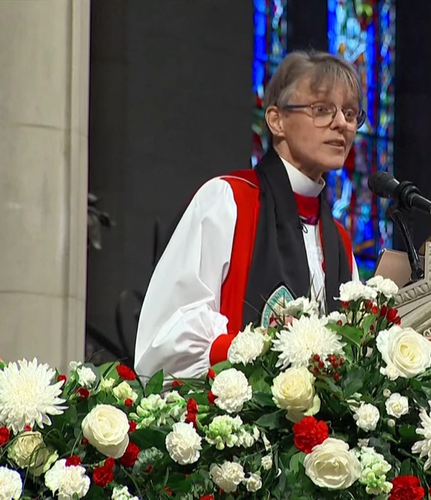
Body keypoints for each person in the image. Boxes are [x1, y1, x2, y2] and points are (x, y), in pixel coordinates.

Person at [134, 51, 362, 380]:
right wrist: (250, 352)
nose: (341, 123)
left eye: (351, 113)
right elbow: (166, 337)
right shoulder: (228, 201)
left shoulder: (338, 240)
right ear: (276, 120)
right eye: (322, 109)